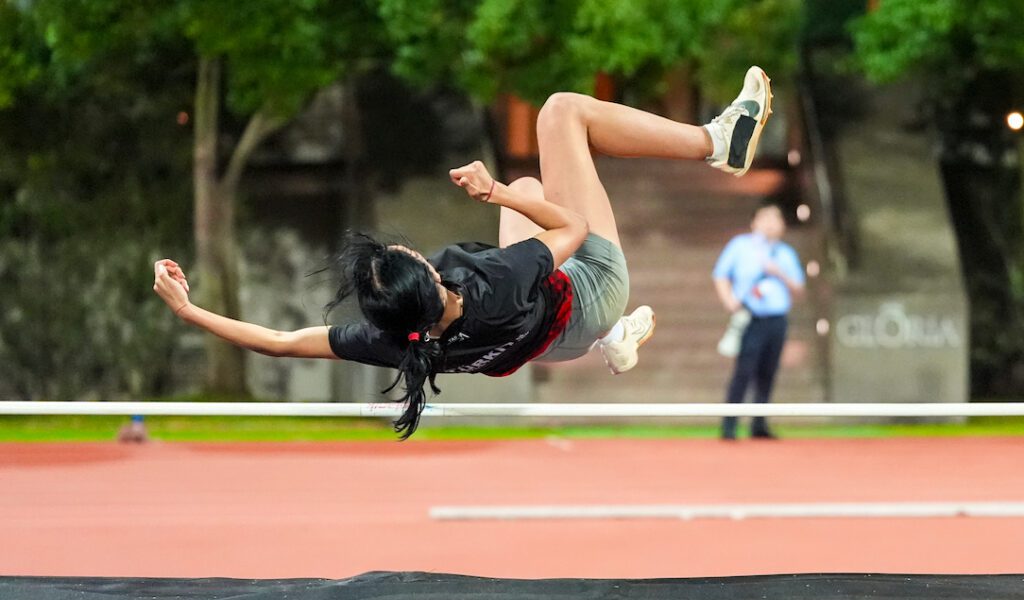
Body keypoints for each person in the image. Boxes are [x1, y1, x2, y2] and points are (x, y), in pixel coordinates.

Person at [153, 67, 774, 438]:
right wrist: (493, 191)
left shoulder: (400, 339)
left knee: (529, 189)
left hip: (552, 346)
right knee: (560, 114)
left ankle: (611, 340)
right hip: (592, 287)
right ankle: (717, 141)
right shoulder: (492, 280)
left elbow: (281, 341)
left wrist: (190, 312)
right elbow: (574, 232)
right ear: (427, 273)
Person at [712, 200, 805, 440]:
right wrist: (728, 300)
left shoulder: (786, 253)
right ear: (754, 222)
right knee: (743, 371)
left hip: (777, 320)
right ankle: (729, 425)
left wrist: (779, 273)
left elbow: (798, 287)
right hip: (751, 317)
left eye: (776, 219)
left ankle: (759, 424)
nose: (771, 224)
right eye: (766, 218)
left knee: (768, 372)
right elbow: (721, 274)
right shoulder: (740, 246)